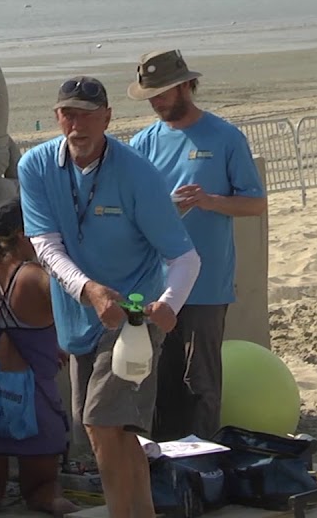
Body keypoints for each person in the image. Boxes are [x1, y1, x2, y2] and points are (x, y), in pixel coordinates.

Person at [17, 76, 202, 518]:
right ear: (57, 115)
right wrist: (89, 290)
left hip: (132, 319)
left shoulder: (137, 172)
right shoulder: (35, 166)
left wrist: (169, 306)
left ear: (107, 117)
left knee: (100, 423)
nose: (77, 124)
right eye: (68, 113)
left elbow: (185, 258)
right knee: (114, 432)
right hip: (80, 317)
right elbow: (45, 245)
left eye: (86, 113)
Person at [126, 49, 267, 442]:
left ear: (187, 85)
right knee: (156, 382)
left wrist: (209, 201)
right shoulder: (143, 143)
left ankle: (202, 462)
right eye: (150, 96)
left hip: (206, 285)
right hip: (154, 285)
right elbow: (130, 207)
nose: (156, 102)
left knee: (200, 381)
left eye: (162, 93)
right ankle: (161, 464)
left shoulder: (225, 138)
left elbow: (254, 203)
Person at [0, 199, 78, 518]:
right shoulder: (38, 277)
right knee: (42, 487)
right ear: (24, 234)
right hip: (33, 398)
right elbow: (72, 330)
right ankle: (56, 503)